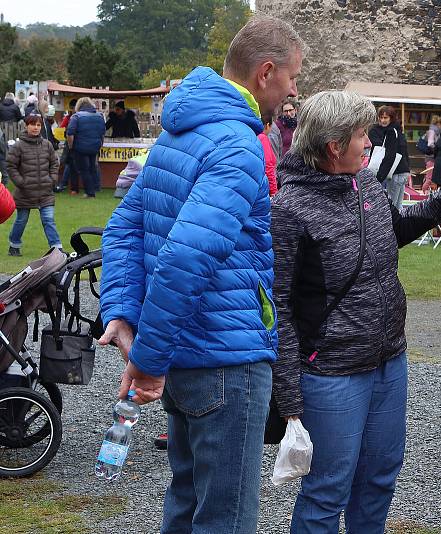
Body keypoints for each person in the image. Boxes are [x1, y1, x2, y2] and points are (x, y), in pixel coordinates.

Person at [98, 15, 304, 533]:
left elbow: (123, 226)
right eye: (294, 77)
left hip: (192, 360)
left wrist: (123, 312)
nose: (295, 89)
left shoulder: (181, 133)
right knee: (225, 519)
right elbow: (184, 258)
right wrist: (146, 361)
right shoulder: (236, 146)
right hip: (224, 360)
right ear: (266, 72)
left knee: (187, 506)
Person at [271, 90, 441, 534]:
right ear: (334, 146)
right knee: (327, 489)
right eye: (362, 134)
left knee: (380, 477)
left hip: (390, 361)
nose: (369, 142)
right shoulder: (289, 210)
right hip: (332, 374)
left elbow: (396, 228)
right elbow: (280, 309)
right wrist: (290, 401)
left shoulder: (365, 183)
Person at [6, 114, 61, 256]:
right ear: (26, 126)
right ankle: (14, 245)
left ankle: (56, 248)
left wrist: (52, 179)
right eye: (32, 124)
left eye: (38, 125)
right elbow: (11, 166)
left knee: (48, 220)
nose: (36, 128)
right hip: (25, 192)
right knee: (21, 220)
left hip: (45, 191)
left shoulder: (47, 144)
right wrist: (21, 182)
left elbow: (54, 163)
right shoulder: (18, 146)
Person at [368, 105, 411, 210]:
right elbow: (404, 152)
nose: (383, 120)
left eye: (385, 117)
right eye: (381, 117)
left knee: (392, 207)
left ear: (391, 118)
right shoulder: (398, 131)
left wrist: (380, 177)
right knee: (398, 206)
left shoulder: (391, 132)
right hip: (402, 171)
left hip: (395, 172)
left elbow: (390, 155)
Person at [66, 97, 106, 198]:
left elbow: (70, 133)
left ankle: (89, 193)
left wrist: (71, 147)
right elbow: (102, 133)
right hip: (95, 146)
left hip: (80, 147)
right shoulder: (100, 116)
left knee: (84, 169)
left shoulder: (76, 117)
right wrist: (100, 144)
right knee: (93, 168)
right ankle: (96, 188)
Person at [258, 116, 279, 195]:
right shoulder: (263, 138)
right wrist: (274, 191)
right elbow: (268, 166)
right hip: (265, 189)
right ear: (267, 125)